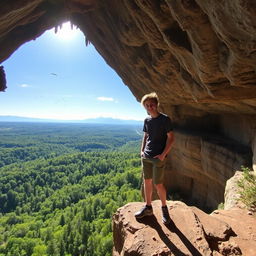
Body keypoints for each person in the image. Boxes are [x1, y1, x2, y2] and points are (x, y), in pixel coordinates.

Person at [134, 92, 174, 225]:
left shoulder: (165, 119)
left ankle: (164, 208)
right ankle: (148, 207)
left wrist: (163, 155)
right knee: (147, 181)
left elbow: (171, 138)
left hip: (158, 158)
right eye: (147, 105)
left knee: (159, 184)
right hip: (146, 156)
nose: (149, 107)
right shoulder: (147, 120)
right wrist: (141, 150)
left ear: (156, 105)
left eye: (151, 104)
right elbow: (145, 136)